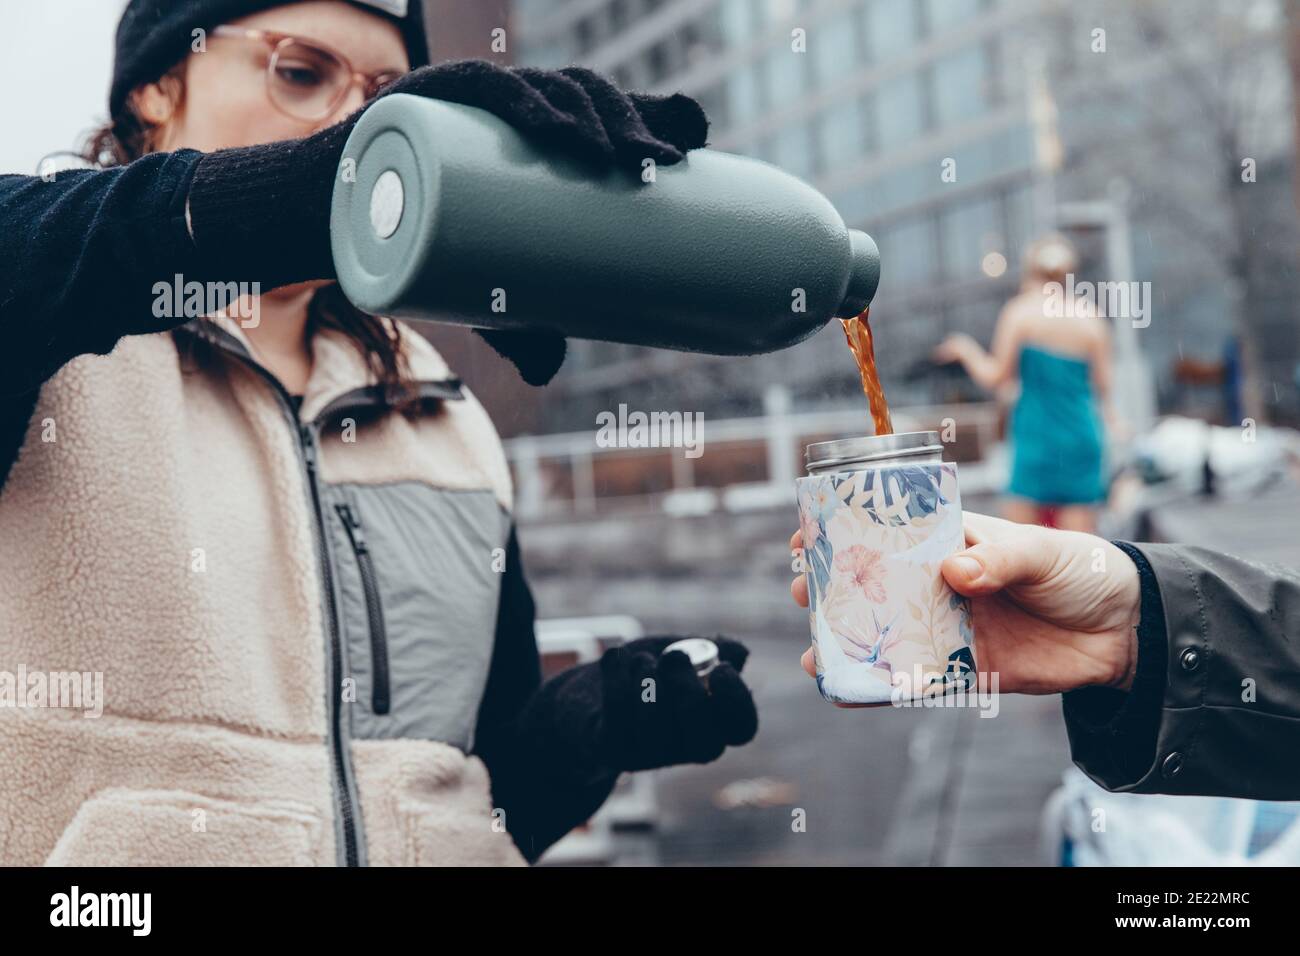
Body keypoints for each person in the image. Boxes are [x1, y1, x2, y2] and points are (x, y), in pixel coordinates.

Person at [0, 0, 758, 867]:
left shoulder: (442, 413)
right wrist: (319, 185)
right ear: (155, 89)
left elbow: (476, 798)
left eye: (387, 96)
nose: (350, 122)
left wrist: (594, 722)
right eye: (300, 72)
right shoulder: (48, 342)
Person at [789, 515, 1300, 800]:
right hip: (1069, 444)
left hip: (1042, 447)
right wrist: (1131, 632)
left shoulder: (1021, 321)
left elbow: (999, 378)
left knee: (997, 555)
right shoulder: (1084, 324)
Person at [934, 235, 1111, 533]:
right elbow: (1103, 387)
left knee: (1019, 545)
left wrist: (965, 349)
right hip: (1081, 435)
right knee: (1078, 551)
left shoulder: (1020, 312)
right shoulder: (1090, 317)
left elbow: (996, 377)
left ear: (1030, 271)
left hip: (1038, 436)